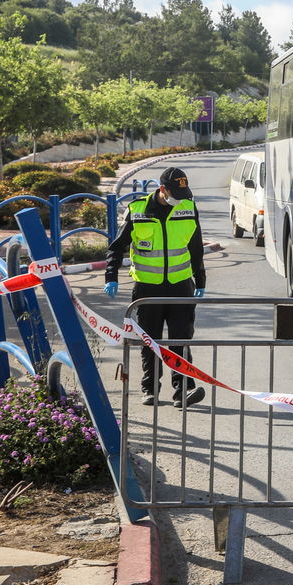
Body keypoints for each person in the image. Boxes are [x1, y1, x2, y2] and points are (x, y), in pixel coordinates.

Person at [105, 166, 207, 407]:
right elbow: (117, 247)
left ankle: (183, 390)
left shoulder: (188, 208)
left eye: (183, 194)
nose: (179, 200)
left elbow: (196, 248)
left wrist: (200, 280)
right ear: (163, 189)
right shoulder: (137, 210)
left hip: (181, 286)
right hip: (147, 290)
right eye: (175, 195)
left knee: (181, 340)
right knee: (149, 341)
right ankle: (150, 389)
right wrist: (111, 276)